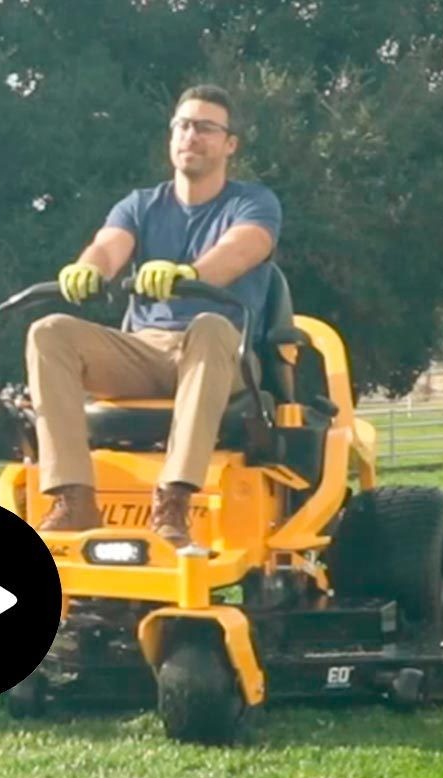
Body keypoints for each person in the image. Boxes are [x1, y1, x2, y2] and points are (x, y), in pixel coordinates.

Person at [27, 84, 282, 545]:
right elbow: (108, 246)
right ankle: (74, 499)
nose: (192, 136)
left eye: (206, 127)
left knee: (209, 326)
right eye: (183, 126)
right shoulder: (140, 205)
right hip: (145, 350)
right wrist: (88, 268)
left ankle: (173, 502)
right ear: (171, 138)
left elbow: (242, 248)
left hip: (220, 353)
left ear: (229, 144)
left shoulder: (254, 203)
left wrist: (190, 273)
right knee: (49, 332)